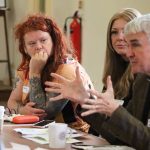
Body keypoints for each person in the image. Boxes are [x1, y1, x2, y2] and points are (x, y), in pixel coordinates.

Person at [44, 14, 150, 149]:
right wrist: (86, 101)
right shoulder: (143, 81)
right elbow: (120, 137)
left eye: (135, 44)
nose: (129, 53)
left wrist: (115, 111)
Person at [7, 14, 94, 132]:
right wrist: (22, 110)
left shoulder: (66, 68)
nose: (38, 47)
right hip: (41, 133)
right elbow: (12, 102)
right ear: (25, 48)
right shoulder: (28, 66)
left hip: (74, 135)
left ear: (54, 41)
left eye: (43, 40)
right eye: (31, 43)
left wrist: (35, 72)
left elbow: (43, 114)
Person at [102, 8, 141, 106]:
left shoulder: (143, 73)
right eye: (114, 32)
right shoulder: (113, 71)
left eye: (125, 31)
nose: (119, 37)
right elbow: (104, 118)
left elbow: (135, 120)